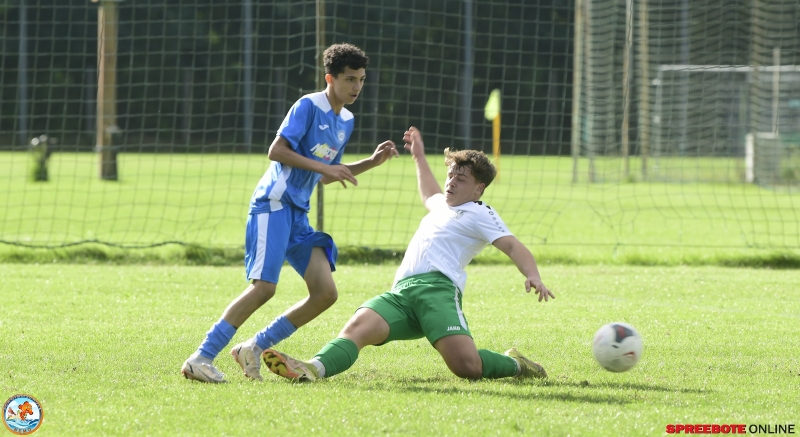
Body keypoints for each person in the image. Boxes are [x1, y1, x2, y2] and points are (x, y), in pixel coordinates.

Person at [261, 126, 554, 382]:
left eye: (460, 179)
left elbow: (513, 245)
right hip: (400, 294)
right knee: (358, 327)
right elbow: (429, 193)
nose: (451, 182)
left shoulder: (480, 212)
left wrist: (533, 275)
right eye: (450, 175)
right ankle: (312, 368)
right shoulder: (444, 205)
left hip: (437, 292)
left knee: (467, 367)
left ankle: (516, 363)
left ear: (479, 189)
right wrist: (419, 157)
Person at [181, 43, 399, 383]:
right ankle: (202, 356)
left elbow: (325, 173)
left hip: (298, 214)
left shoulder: (346, 120)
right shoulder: (308, 106)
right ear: (330, 78)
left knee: (326, 293)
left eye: (361, 80)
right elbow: (277, 151)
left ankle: (253, 346)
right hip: (274, 204)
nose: (356, 87)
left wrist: (370, 162)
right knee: (264, 287)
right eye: (349, 79)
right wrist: (326, 167)